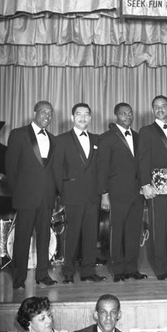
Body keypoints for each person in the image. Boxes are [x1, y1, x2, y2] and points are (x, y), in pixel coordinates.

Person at [6, 101, 58, 289]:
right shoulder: (18, 134)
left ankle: (42, 274)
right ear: (34, 112)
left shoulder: (53, 138)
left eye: (50, 113)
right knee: (22, 238)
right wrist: (19, 192)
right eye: (43, 112)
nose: (47, 116)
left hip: (47, 197)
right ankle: (19, 278)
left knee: (44, 238)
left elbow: (53, 171)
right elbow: (11, 168)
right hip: (26, 197)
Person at [53, 103, 105, 283]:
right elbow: (57, 170)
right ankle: (68, 272)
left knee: (91, 235)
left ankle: (88, 272)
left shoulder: (97, 139)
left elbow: (100, 168)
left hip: (92, 196)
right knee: (72, 235)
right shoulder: (61, 140)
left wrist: (102, 192)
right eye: (78, 114)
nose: (83, 118)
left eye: (86, 115)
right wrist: (62, 193)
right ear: (72, 117)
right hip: (72, 195)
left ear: (90, 118)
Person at [138, 95, 167, 280]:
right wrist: (145, 184)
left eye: (163, 106)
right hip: (157, 184)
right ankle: (161, 269)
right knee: (159, 227)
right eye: (156, 106)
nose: (160, 109)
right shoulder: (146, 130)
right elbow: (142, 159)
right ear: (152, 110)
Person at [98, 102, 146, 282]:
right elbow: (102, 168)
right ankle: (118, 270)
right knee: (116, 232)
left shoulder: (138, 136)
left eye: (130, 113)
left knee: (134, 232)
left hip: (136, 193)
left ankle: (132, 268)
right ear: (116, 116)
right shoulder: (107, 137)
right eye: (123, 114)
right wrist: (104, 194)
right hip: (116, 193)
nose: (128, 116)